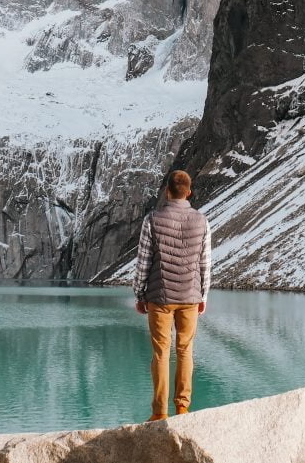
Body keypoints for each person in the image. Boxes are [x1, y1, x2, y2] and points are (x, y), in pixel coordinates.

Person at [133, 169, 212, 421]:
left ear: (167, 191)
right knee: (186, 351)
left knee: (161, 353)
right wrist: (203, 296)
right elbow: (205, 262)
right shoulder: (202, 220)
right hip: (190, 296)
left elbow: (143, 261)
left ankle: (159, 413)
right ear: (188, 192)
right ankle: (182, 407)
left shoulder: (152, 219)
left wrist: (139, 293)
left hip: (160, 297)